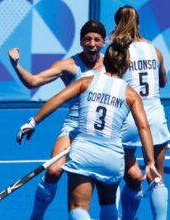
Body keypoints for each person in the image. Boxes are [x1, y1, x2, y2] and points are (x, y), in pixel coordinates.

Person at [17, 37, 161, 220]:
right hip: (112, 157)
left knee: (79, 209)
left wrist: (33, 122)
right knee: (108, 204)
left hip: (84, 152)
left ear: (105, 61)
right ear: (126, 66)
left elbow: (56, 100)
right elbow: (144, 127)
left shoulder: (86, 82)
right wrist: (149, 163)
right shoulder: (131, 93)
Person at [8, 20, 106, 219]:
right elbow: (33, 81)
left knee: (108, 178)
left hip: (102, 130)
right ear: (80, 42)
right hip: (74, 127)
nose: (92, 43)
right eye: (87, 39)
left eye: (97, 39)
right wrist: (16, 65)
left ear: (104, 42)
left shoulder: (112, 64)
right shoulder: (69, 66)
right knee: (53, 171)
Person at [111, 5, 170, 220]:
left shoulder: (116, 50)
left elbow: (110, 83)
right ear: (138, 23)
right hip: (154, 116)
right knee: (157, 177)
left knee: (121, 176)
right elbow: (163, 81)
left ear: (117, 23)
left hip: (128, 118)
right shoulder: (154, 50)